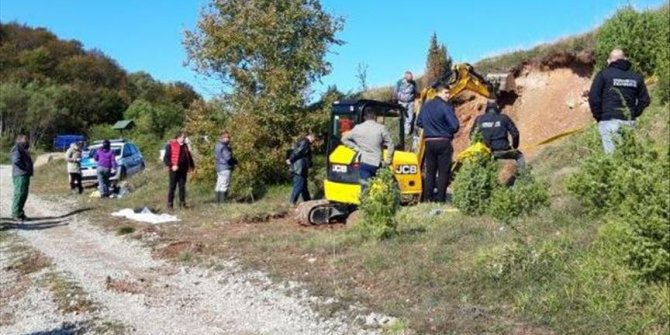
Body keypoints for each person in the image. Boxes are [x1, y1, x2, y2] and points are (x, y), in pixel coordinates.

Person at [588, 48, 650, 154]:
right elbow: (645, 100)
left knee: (613, 160)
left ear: (609, 61)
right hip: (629, 122)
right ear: (625, 59)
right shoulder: (636, 77)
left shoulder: (603, 75)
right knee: (628, 156)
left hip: (608, 121)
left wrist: (599, 117)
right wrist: (633, 113)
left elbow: (594, 99)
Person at [416, 82, 459, 203]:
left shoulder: (426, 106)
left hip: (429, 142)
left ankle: (427, 199)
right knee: (443, 172)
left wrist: (430, 127)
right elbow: (455, 126)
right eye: (446, 92)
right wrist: (444, 129)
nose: (448, 95)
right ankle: (440, 200)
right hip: (443, 141)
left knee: (430, 172)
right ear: (439, 92)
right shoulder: (445, 106)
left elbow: (419, 122)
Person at [341, 108, 395, 183]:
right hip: (377, 163)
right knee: (381, 187)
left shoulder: (357, 128)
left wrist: (356, 148)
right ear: (375, 117)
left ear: (364, 117)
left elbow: (344, 139)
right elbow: (391, 144)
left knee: (365, 187)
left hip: (364, 163)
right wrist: (388, 160)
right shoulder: (381, 128)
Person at [469, 99, 525, 170]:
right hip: (503, 149)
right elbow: (515, 134)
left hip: (487, 151)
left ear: (487, 108)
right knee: (519, 156)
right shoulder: (504, 118)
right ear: (497, 107)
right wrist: (515, 146)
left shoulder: (479, 119)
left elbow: (471, 136)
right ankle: (523, 176)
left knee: (484, 164)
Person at [163, 131, 196, 209]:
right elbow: (166, 158)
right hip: (174, 170)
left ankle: (182, 203)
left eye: (184, 137)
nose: (183, 138)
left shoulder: (185, 146)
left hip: (183, 170)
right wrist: (172, 165)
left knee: (182, 187)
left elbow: (189, 157)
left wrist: (192, 166)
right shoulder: (170, 145)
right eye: (182, 137)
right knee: (172, 187)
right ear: (177, 137)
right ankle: (170, 204)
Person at [287, 134, 316, 205]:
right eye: (314, 139)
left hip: (301, 168)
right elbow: (298, 152)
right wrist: (290, 160)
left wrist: (310, 165)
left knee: (304, 186)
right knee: (299, 185)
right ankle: (292, 201)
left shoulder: (304, 142)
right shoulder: (305, 142)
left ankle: (307, 200)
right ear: (311, 137)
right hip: (299, 168)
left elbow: (307, 156)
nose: (314, 141)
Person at [10, 134, 34, 221]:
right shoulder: (17, 148)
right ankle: (15, 213)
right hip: (20, 174)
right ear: (19, 140)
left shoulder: (23, 149)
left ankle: (20, 213)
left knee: (23, 194)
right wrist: (26, 168)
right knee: (19, 194)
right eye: (26, 140)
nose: (27, 141)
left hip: (24, 174)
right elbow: (16, 161)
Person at [213, 132, 237, 203]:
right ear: (223, 138)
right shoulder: (224, 147)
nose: (229, 139)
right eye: (228, 138)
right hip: (225, 167)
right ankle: (223, 202)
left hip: (219, 167)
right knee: (224, 184)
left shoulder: (217, 145)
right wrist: (235, 161)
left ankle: (217, 201)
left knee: (219, 184)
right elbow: (228, 158)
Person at [395, 71, 418, 136]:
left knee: (409, 117)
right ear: (405, 77)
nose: (411, 79)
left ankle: (407, 132)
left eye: (411, 77)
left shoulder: (413, 83)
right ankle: (400, 131)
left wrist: (414, 99)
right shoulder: (399, 82)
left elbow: (415, 92)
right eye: (409, 78)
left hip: (410, 102)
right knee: (401, 116)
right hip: (401, 102)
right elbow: (395, 92)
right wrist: (397, 100)